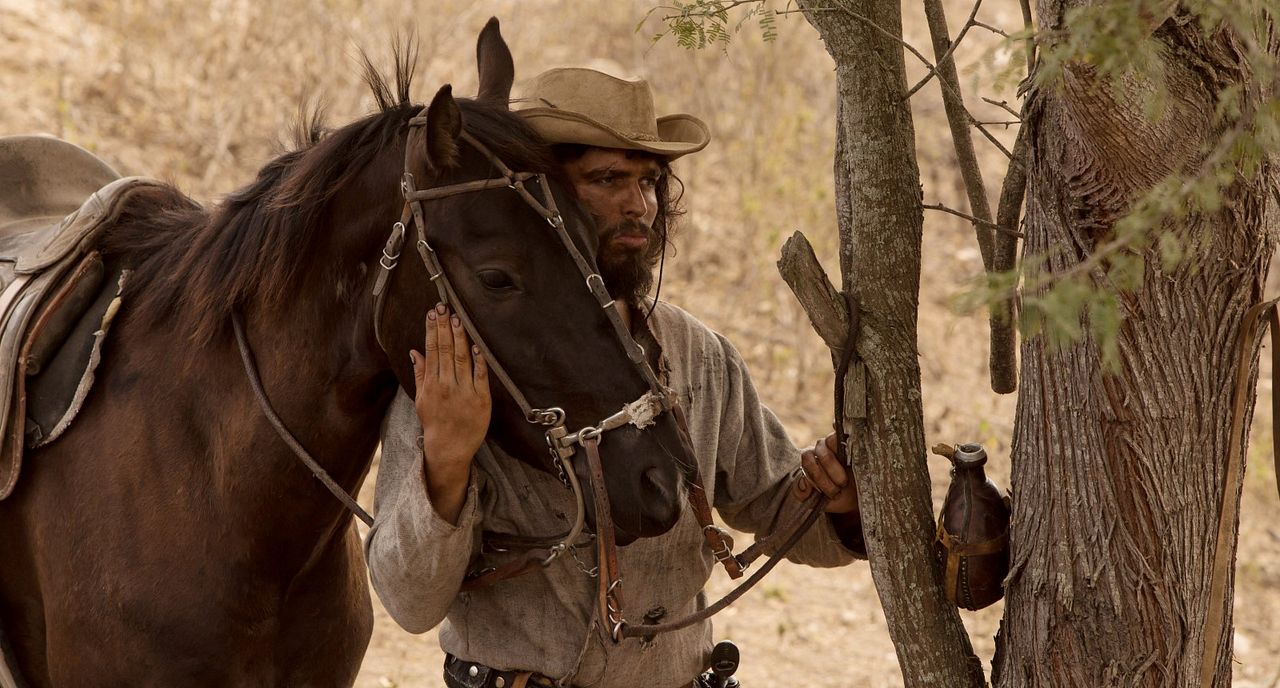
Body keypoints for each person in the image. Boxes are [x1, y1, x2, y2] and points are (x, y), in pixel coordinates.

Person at [364, 67, 865, 688]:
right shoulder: (465, 360)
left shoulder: (695, 354)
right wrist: (446, 458)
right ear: (541, 195)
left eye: (648, 180)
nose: (640, 203)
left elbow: (774, 506)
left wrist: (838, 502)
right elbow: (409, 600)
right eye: (608, 179)